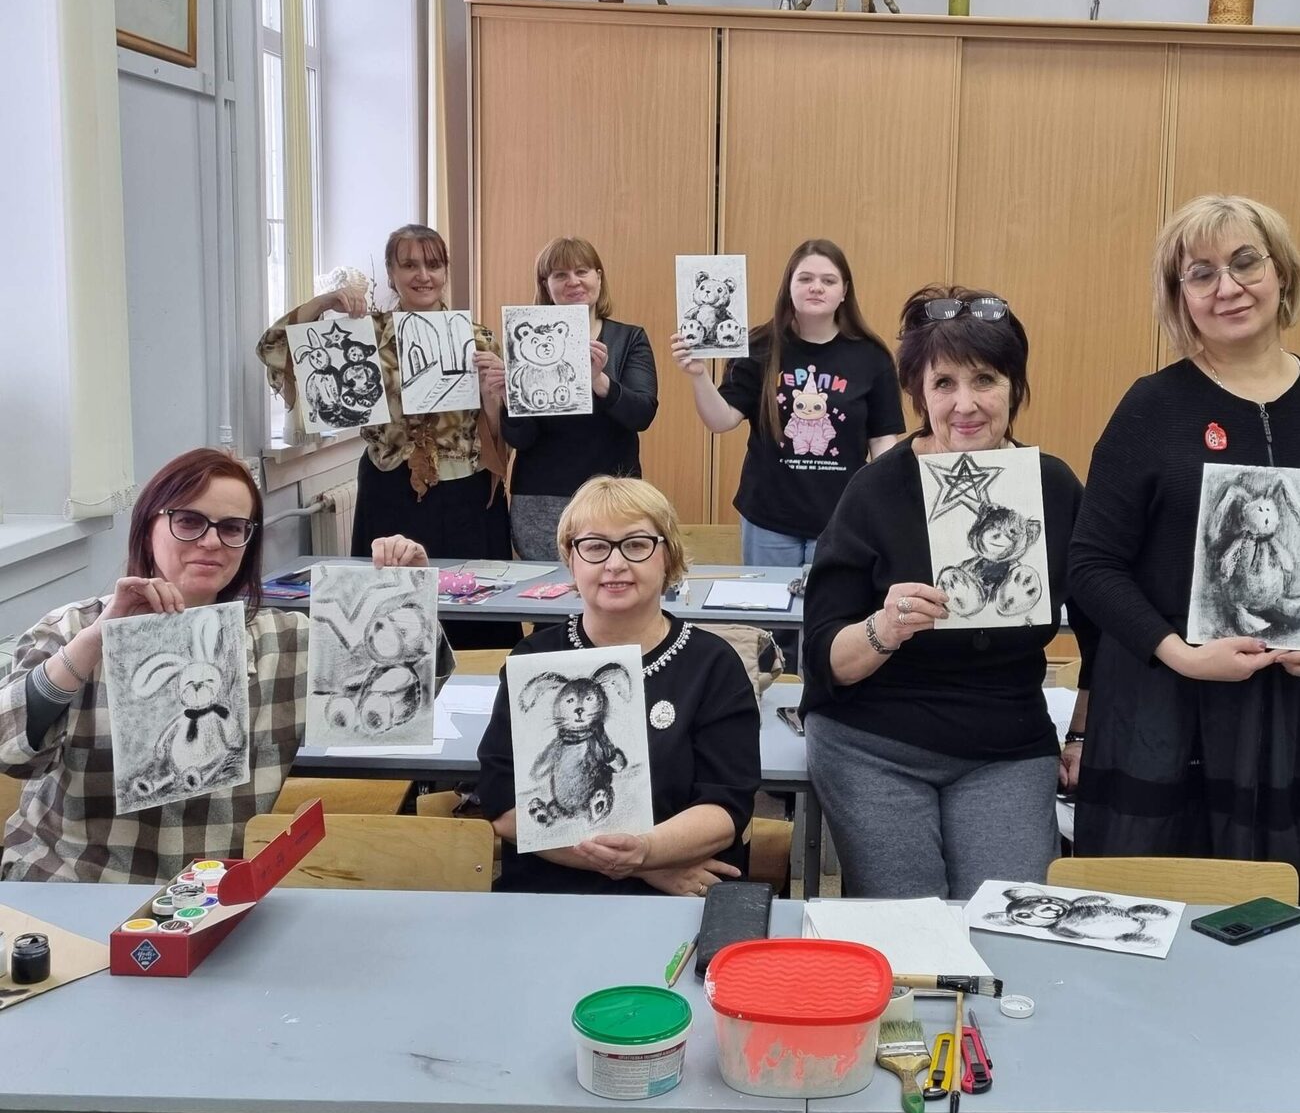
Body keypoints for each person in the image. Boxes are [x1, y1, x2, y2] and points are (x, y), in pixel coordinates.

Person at [1068, 195, 1300, 907]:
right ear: (1180, 296)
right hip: (1162, 711)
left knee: (1275, 921)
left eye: (1246, 263)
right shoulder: (1151, 405)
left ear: (1282, 273)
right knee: (1148, 920)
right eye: (1202, 273)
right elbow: (1090, 565)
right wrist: (1182, 654)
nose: (1228, 287)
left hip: (1290, 715)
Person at [0, 448, 447, 884]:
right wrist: (95, 641)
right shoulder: (72, 628)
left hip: (212, 892)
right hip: (76, 882)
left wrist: (411, 592)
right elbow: (9, 750)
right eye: (188, 521)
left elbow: (409, 695)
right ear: (148, 525)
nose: (212, 541)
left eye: (232, 527)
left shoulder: (283, 641)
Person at [800, 285, 1098, 900]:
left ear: (1014, 388)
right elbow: (827, 659)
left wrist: (1081, 736)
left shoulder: (1052, 487)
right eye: (944, 384)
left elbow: (1104, 631)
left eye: (985, 380)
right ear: (919, 394)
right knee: (908, 927)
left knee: (1005, 920)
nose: (966, 404)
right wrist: (885, 628)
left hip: (1006, 744)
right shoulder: (874, 491)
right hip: (874, 742)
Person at [476, 476, 761, 895]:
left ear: (668, 556)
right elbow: (503, 805)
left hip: (683, 891)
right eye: (595, 547)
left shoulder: (714, 664)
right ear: (571, 559)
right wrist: (639, 866)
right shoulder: (534, 658)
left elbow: (725, 807)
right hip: (557, 889)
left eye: (636, 544)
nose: (615, 563)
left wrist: (647, 851)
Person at [257, 225, 516, 648]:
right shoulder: (363, 334)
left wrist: (491, 397)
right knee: (388, 605)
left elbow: (500, 430)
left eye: (433, 265)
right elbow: (274, 346)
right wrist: (326, 302)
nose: (423, 275)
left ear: (446, 271)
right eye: (409, 265)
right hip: (390, 487)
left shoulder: (477, 337)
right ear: (391, 273)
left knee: (473, 608)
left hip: (466, 493)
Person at [671, 239, 902, 567]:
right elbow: (721, 420)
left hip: (843, 519)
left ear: (844, 291)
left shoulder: (871, 356)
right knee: (768, 602)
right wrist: (698, 375)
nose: (816, 287)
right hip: (768, 519)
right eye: (805, 279)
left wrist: (886, 501)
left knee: (833, 602)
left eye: (828, 280)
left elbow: (883, 440)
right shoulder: (758, 346)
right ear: (789, 286)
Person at [501, 237, 658, 561]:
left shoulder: (629, 338)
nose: (573, 281)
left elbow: (641, 414)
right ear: (546, 285)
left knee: (611, 582)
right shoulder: (525, 344)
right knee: (545, 589)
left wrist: (598, 381)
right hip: (541, 498)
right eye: (560, 275)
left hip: (613, 495)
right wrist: (509, 398)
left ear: (598, 277)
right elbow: (520, 439)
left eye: (582, 271)